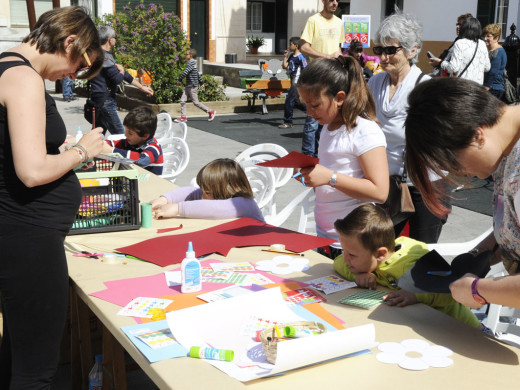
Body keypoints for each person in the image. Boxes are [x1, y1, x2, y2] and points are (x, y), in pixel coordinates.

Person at [0, 6, 106, 388]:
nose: (73, 76)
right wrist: (82, 152)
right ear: (69, 41)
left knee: (18, 352)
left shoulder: (7, 66)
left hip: (18, 234)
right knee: (37, 368)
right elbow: (31, 172)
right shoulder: (24, 78)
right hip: (27, 238)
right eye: (78, 66)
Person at [404, 77, 520, 310]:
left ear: (477, 136)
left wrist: (478, 291)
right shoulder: (506, 148)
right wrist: (483, 251)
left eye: (455, 164)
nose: (462, 174)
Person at [295, 56, 389, 258]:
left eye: (315, 105)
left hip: (352, 246)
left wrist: (330, 177)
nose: (309, 113)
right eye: (305, 105)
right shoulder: (329, 128)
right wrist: (309, 175)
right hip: (326, 238)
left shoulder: (365, 130)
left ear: (339, 97)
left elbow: (380, 192)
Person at [332, 203, 482, 329]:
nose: (345, 259)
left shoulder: (412, 264)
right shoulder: (370, 257)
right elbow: (337, 263)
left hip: (463, 330)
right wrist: (359, 276)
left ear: (380, 254)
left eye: (351, 255)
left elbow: (450, 292)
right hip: (425, 327)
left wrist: (414, 293)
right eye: (344, 251)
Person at [368, 11, 447, 244]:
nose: (383, 57)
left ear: (412, 51)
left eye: (391, 50)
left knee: (421, 252)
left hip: (425, 184)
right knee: (380, 247)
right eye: (379, 50)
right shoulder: (374, 83)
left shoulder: (425, 88)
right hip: (387, 183)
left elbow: (442, 139)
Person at [151, 158, 264, 221]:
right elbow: (191, 192)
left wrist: (178, 208)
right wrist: (165, 199)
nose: (202, 197)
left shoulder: (244, 203)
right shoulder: (218, 194)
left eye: (208, 193)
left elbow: (215, 208)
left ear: (228, 190)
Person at [89, 26, 154, 135]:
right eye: (115, 37)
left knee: (98, 134)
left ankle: (89, 151)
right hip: (105, 101)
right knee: (121, 134)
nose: (115, 39)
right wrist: (122, 71)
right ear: (110, 39)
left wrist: (142, 87)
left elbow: (125, 75)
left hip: (99, 100)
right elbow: (118, 79)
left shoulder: (99, 54)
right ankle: (128, 152)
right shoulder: (104, 57)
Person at [299, 0, 343, 157]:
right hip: (316, 76)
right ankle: (307, 157)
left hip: (333, 76)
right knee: (312, 119)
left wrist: (338, 55)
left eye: (337, 0)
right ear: (323, 1)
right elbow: (304, 47)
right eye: (331, 0)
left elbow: (338, 46)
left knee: (331, 117)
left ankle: (322, 155)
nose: (335, 3)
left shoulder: (339, 22)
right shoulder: (313, 20)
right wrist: (327, 57)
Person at [103, 106, 163, 175]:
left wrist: (112, 150)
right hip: (135, 180)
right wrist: (101, 144)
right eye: (126, 130)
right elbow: (112, 144)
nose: (126, 135)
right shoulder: (131, 142)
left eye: (130, 133)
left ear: (145, 136)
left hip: (151, 182)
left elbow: (143, 160)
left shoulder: (154, 147)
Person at [429, 17, 490, 84]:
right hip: (477, 87)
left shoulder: (460, 43)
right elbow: (487, 67)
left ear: (464, 28)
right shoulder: (482, 44)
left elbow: (453, 68)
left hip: (462, 86)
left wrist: (441, 63)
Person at [176, 48, 216, 123]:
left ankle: (210, 111)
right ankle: (183, 117)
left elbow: (185, 72)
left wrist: (180, 80)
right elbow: (197, 73)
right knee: (182, 100)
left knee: (196, 102)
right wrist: (201, 83)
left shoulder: (191, 63)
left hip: (192, 86)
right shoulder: (192, 63)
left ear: (190, 55)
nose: (185, 55)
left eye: (186, 54)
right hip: (188, 85)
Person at [278, 37, 307, 129]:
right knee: (297, 102)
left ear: (296, 45)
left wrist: (303, 83)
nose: (289, 46)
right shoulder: (291, 56)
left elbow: (305, 69)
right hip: (292, 80)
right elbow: (285, 66)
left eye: (291, 44)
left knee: (288, 101)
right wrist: (285, 56)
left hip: (296, 82)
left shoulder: (301, 57)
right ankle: (312, 112)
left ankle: (288, 122)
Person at [483, 24, 507, 100]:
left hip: (494, 88)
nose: (485, 38)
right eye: (484, 36)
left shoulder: (498, 51)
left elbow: (493, 72)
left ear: (496, 38)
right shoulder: (489, 50)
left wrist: (486, 88)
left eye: (488, 36)